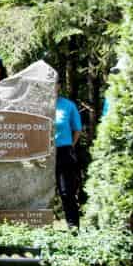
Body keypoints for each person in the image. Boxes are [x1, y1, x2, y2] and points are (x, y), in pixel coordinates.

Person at [54, 94, 83, 228]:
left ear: (59, 85)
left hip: (63, 151)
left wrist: (70, 145)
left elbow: (77, 129)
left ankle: (73, 228)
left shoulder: (68, 105)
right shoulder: (37, 104)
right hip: (41, 153)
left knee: (66, 192)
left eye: (55, 83)